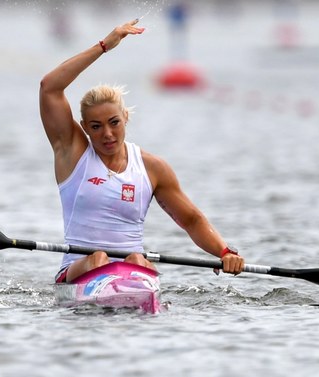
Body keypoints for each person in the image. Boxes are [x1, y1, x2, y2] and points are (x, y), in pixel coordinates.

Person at [39, 19, 245, 283]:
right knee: (99, 257)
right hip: (79, 271)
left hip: (131, 270)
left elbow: (191, 220)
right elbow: (50, 88)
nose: (108, 134)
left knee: (137, 259)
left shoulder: (151, 167)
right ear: (85, 129)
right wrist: (103, 46)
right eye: (96, 126)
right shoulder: (73, 153)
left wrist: (225, 251)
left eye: (114, 123)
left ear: (125, 117)